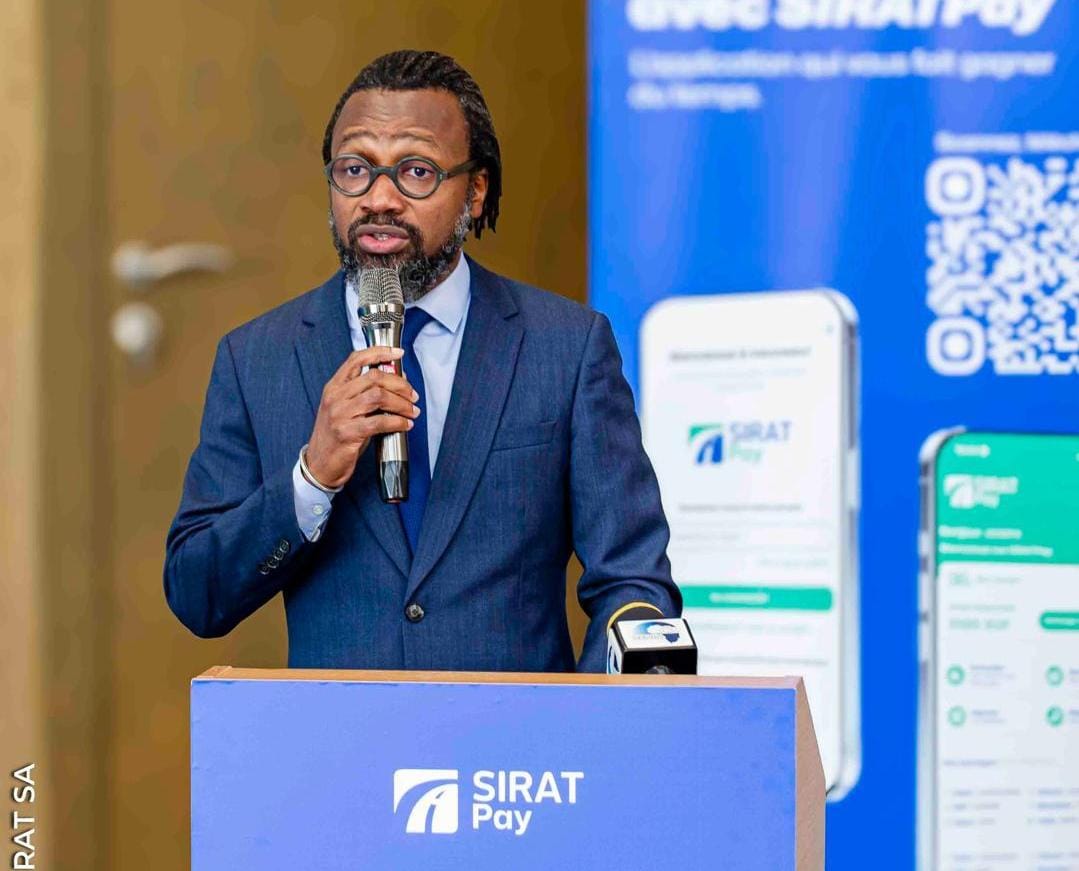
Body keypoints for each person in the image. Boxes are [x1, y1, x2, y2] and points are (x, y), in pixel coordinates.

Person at [164, 50, 679, 672]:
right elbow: (197, 594)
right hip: (336, 730)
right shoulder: (257, 359)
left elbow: (632, 580)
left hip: (516, 734)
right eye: (355, 169)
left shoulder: (566, 348)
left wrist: (584, 716)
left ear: (476, 191)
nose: (379, 198)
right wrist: (312, 476)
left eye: (415, 171)